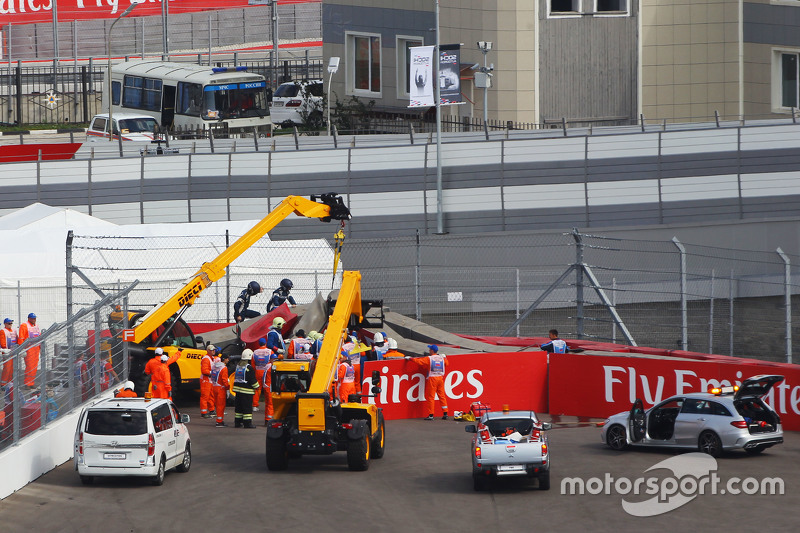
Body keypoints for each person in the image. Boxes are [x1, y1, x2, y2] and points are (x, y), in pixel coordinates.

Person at [406, 344, 450, 420]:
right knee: (442, 396)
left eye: (430, 350)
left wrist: (410, 359)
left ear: (432, 351)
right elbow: (447, 364)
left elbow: (419, 361)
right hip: (440, 378)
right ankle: (445, 413)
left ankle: (431, 415)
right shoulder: (442, 358)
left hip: (433, 378)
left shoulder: (429, 358)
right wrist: (445, 357)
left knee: (431, 397)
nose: (429, 351)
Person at [232, 349, 259, 428]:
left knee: (239, 408)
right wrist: (257, 386)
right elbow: (252, 379)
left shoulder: (238, 366)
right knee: (247, 408)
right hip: (247, 392)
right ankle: (247, 423)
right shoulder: (249, 368)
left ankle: (237, 422)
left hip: (238, 391)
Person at [17, 313, 41, 388]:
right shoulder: (24, 326)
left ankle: (31, 382)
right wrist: (22, 349)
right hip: (29, 349)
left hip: (36, 349)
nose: (34, 320)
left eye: (35, 318)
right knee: (29, 366)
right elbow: (21, 338)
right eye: (33, 318)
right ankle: (27, 383)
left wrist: (39, 347)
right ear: (29, 319)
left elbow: (39, 336)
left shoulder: (36, 326)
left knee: (34, 367)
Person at [211, 352, 230, 427]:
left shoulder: (214, 366)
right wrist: (228, 387)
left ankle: (220, 420)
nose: (228, 360)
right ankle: (219, 421)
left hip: (214, 386)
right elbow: (225, 380)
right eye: (227, 359)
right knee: (221, 405)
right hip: (221, 389)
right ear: (224, 359)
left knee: (217, 405)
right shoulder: (224, 368)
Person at [251, 338, 271, 412]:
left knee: (257, 388)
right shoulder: (269, 351)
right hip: (267, 371)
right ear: (265, 343)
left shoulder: (255, 352)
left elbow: (253, 364)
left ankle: (255, 405)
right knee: (267, 388)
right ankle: (269, 403)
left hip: (258, 371)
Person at [200, 344, 216, 418]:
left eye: (214, 350)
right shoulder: (206, 359)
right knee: (205, 396)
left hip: (209, 379)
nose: (213, 351)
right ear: (208, 351)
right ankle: (204, 412)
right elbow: (204, 371)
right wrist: (213, 373)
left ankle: (211, 410)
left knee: (210, 396)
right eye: (212, 350)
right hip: (206, 379)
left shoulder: (211, 358)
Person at [0, 318, 17, 389]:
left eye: (11, 323)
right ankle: (3, 384)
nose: (10, 325)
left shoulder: (14, 330)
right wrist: (4, 349)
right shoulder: (3, 331)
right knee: (7, 368)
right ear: (5, 324)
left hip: (13, 351)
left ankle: (10, 383)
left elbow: (17, 339)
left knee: (11, 368)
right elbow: (3, 341)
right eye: (9, 323)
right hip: (7, 352)